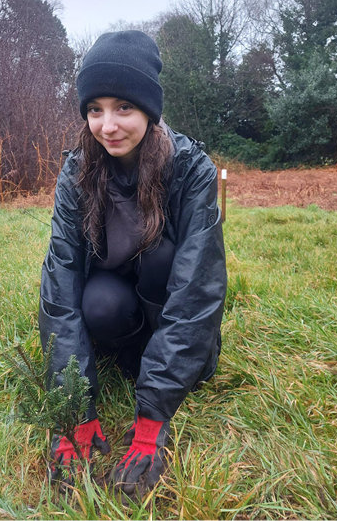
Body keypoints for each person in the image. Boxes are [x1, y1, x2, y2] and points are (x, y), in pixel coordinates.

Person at [40, 30, 225, 497]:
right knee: (96, 300)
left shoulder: (190, 169)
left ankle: (160, 367)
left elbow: (197, 288)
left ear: (148, 110)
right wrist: (71, 405)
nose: (108, 126)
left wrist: (151, 418)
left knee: (164, 256)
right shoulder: (76, 172)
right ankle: (128, 356)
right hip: (121, 310)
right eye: (95, 109)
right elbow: (60, 286)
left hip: (167, 306)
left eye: (124, 107)